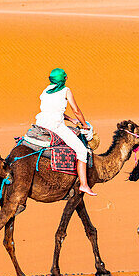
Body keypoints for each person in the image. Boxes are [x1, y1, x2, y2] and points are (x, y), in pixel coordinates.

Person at [36, 68, 96, 196]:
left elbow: (52, 110)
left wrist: (70, 119)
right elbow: (76, 110)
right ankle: (84, 185)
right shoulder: (66, 90)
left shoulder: (45, 90)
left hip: (41, 123)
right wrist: (84, 124)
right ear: (63, 79)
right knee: (82, 151)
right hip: (56, 126)